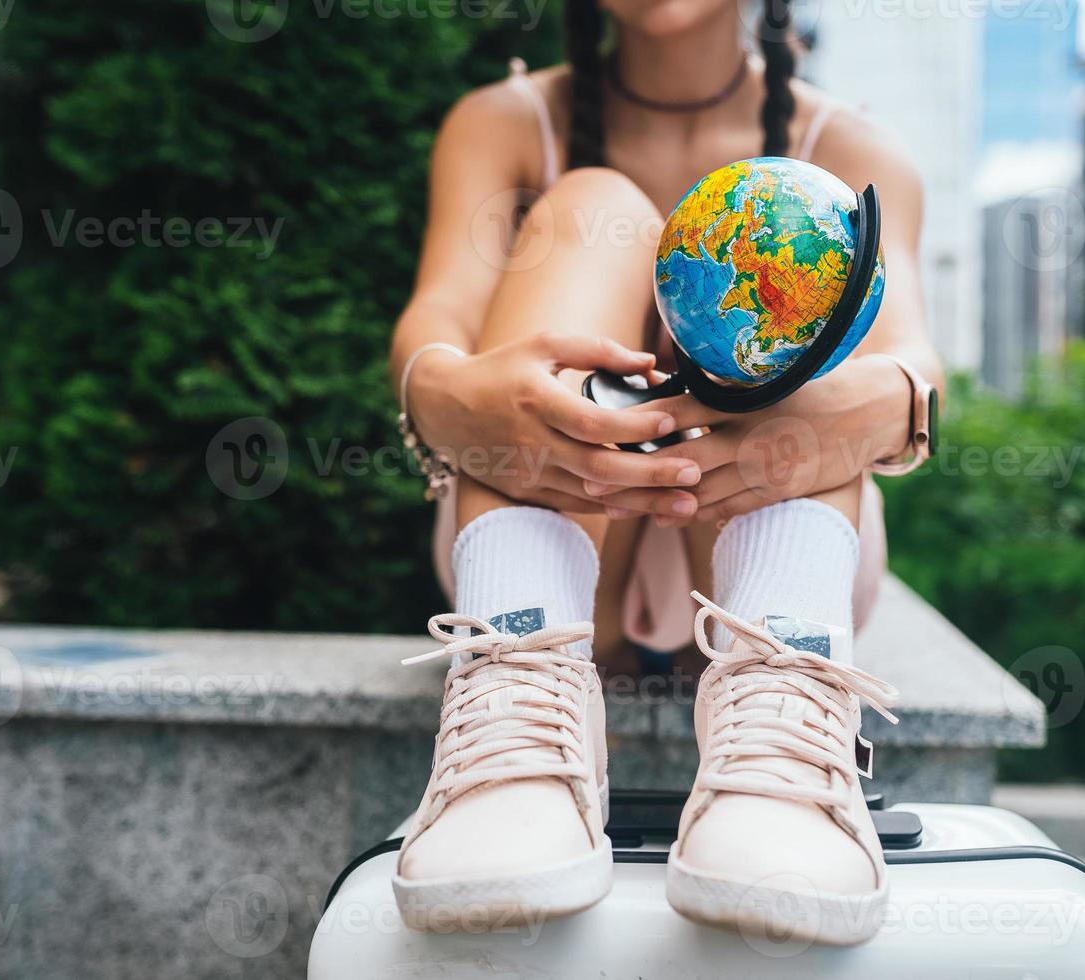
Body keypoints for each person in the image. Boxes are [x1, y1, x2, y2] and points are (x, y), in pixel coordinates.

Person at [386, 0, 943, 947]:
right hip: (548, 520)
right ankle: (516, 720)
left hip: (771, 537)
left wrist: (871, 402)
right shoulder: (506, 120)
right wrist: (451, 395)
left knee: (785, 236)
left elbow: (912, 365)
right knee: (593, 206)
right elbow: (435, 318)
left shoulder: (849, 145)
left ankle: (786, 726)